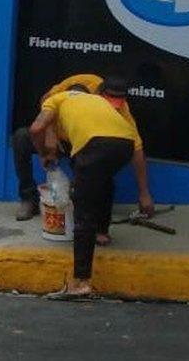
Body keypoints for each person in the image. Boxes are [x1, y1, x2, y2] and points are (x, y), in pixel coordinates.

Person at [29, 85, 154, 299]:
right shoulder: (96, 101)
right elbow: (137, 150)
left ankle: (80, 282)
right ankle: (101, 231)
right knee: (101, 183)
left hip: (95, 144)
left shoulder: (56, 99)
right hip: (124, 144)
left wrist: (43, 153)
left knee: (83, 210)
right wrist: (144, 192)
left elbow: (36, 128)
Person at [10, 74, 141, 237]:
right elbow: (45, 103)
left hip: (84, 140)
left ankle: (93, 216)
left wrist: (145, 193)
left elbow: (136, 146)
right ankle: (28, 198)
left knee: (96, 166)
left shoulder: (117, 104)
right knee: (21, 138)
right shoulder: (69, 90)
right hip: (59, 137)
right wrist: (49, 136)